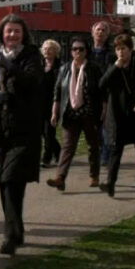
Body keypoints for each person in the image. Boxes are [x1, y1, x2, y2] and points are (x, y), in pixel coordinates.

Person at [0, 14, 44, 257]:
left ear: (23, 33)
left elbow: (33, 81)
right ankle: (17, 229)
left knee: (13, 179)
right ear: (1, 33)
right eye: (8, 31)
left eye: (16, 31)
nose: (12, 35)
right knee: (3, 181)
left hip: (23, 127)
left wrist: (9, 67)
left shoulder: (32, 56)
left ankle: (10, 235)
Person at [99, 34, 135, 196]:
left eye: (123, 48)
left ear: (130, 49)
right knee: (116, 149)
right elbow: (102, 85)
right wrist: (116, 67)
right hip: (118, 114)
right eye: (118, 49)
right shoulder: (111, 64)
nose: (120, 52)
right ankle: (110, 183)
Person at [48, 36, 104, 191]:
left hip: (89, 114)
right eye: (74, 49)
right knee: (68, 147)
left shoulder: (94, 68)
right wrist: (54, 112)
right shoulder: (64, 68)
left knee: (93, 145)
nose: (77, 52)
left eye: (81, 49)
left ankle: (94, 175)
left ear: (86, 51)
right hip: (70, 113)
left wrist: (104, 110)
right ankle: (60, 177)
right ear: (71, 51)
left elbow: (102, 91)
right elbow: (57, 92)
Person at [90, 21, 117, 167]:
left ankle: (106, 154)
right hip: (89, 94)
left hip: (106, 94)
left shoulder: (111, 54)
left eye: (104, 30)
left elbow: (111, 75)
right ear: (93, 32)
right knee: (94, 128)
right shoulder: (86, 51)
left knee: (106, 126)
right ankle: (98, 151)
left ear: (107, 34)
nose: (100, 32)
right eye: (98, 29)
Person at [40, 39, 63, 168]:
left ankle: (46, 158)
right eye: (45, 48)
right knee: (43, 132)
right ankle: (59, 153)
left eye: (50, 48)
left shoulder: (60, 67)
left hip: (54, 103)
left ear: (56, 51)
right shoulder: (38, 65)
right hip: (39, 104)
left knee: (49, 132)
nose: (47, 50)